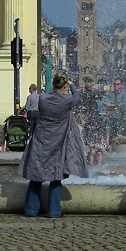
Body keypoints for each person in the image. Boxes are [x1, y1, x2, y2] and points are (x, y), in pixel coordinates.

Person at [18, 71, 87, 218]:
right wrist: (72, 85)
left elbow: (49, 96)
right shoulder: (67, 100)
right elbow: (77, 97)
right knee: (56, 176)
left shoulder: (43, 98)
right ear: (64, 86)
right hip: (58, 141)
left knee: (35, 174)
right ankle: (54, 211)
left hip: (41, 139)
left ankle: (31, 209)